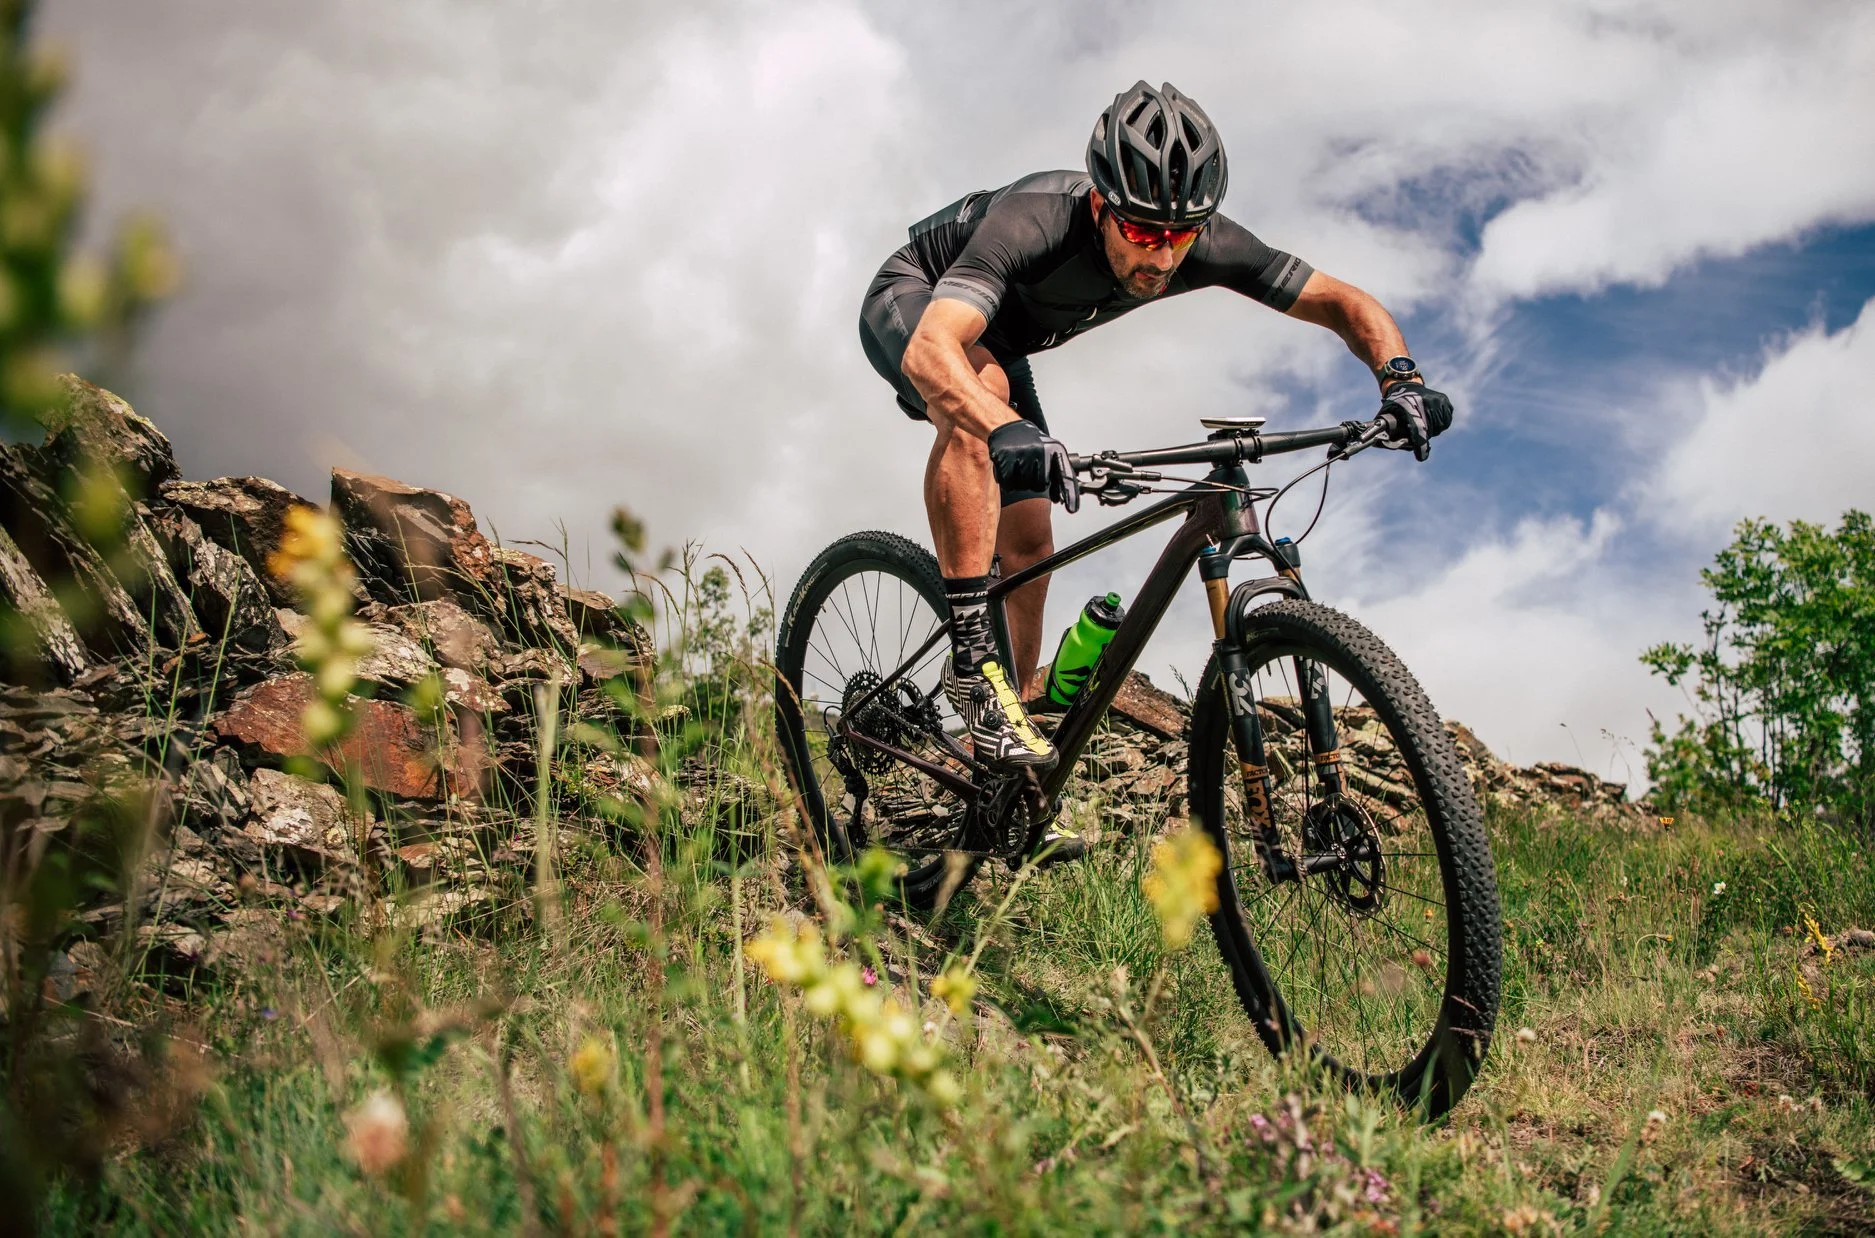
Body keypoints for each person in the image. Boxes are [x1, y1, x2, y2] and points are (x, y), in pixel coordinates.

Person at [858, 80, 1453, 782]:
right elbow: (933, 351)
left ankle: (1010, 738)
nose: (1164, 259)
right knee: (982, 403)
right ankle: (971, 665)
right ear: (1100, 206)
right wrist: (1001, 429)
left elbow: (1339, 301)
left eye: (1181, 236)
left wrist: (1400, 379)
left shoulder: (1204, 242)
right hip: (919, 302)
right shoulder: (1033, 221)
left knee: (1030, 541)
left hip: (1003, 341)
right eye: (1143, 234)